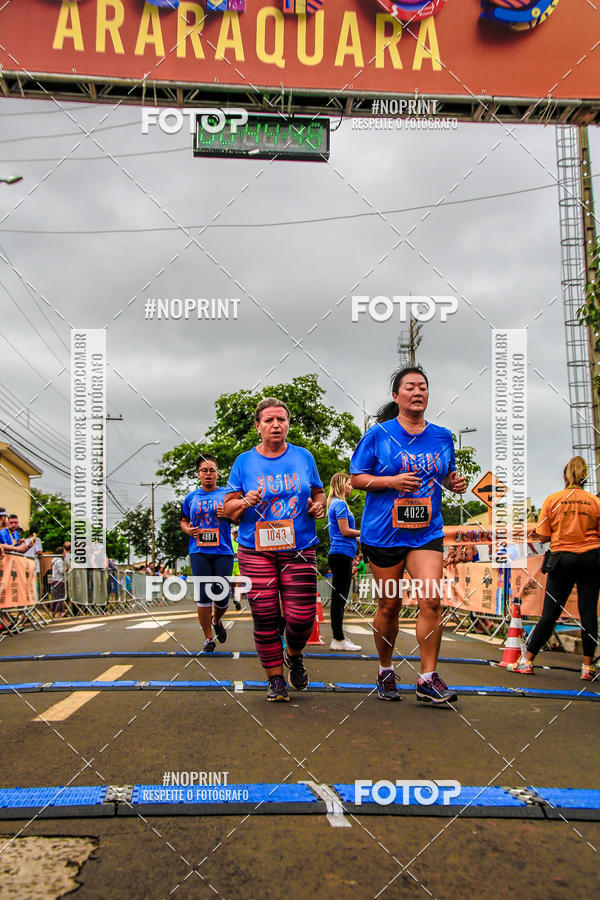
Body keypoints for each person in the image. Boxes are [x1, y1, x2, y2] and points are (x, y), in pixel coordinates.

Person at [350, 366, 466, 704]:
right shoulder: (378, 435)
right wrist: (392, 482)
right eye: (410, 387)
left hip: (424, 532)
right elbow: (356, 479)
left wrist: (453, 484)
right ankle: (386, 669)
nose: (418, 392)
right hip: (384, 533)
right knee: (390, 604)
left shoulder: (443, 436)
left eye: (423, 387)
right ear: (396, 395)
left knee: (431, 599)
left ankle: (427, 678)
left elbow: (445, 475)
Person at [223, 397, 325, 702]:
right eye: (268, 420)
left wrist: (318, 506)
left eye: (281, 419)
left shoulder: (304, 457)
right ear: (258, 427)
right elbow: (228, 509)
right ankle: (275, 680)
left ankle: (294, 655)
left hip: (299, 547)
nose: (276, 424)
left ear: (288, 424)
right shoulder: (244, 462)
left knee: (302, 616)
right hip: (256, 549)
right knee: (265, 615)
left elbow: (318, 492)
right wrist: (243, 502)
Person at [508, 456, 600, 680]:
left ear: (564, 476)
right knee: (588, 612)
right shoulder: (595, 502)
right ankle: (588, 667)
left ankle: (527, 660)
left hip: (562, 558)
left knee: (550, 613)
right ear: (585, 476)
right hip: (592, 557)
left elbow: (544, 535)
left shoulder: (553, 500)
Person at [181, 453, 235, 653]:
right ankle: (208, 638)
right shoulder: (191, 497)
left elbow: (238, 518)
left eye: (212, 470)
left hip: (223, 550)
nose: (208, 474)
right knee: (203, 595)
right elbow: (184, 520)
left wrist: (228, 513)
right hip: (199, 550)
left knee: (221, 596)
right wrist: (187, 529)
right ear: (198, 475)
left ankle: (217, 620)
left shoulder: (227, 495)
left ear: (218, 474)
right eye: (204, 470)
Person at [327, 472, 362, 651]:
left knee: (340, 597)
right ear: (341, 484)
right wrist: (364, 533)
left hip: (343, 553)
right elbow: (345, 531)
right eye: (348, 484)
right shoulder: (339, 504)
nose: (351, 486)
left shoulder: (337, 503)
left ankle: (339, 636)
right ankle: (338, 638)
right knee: (339, 597)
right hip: (341, 554)